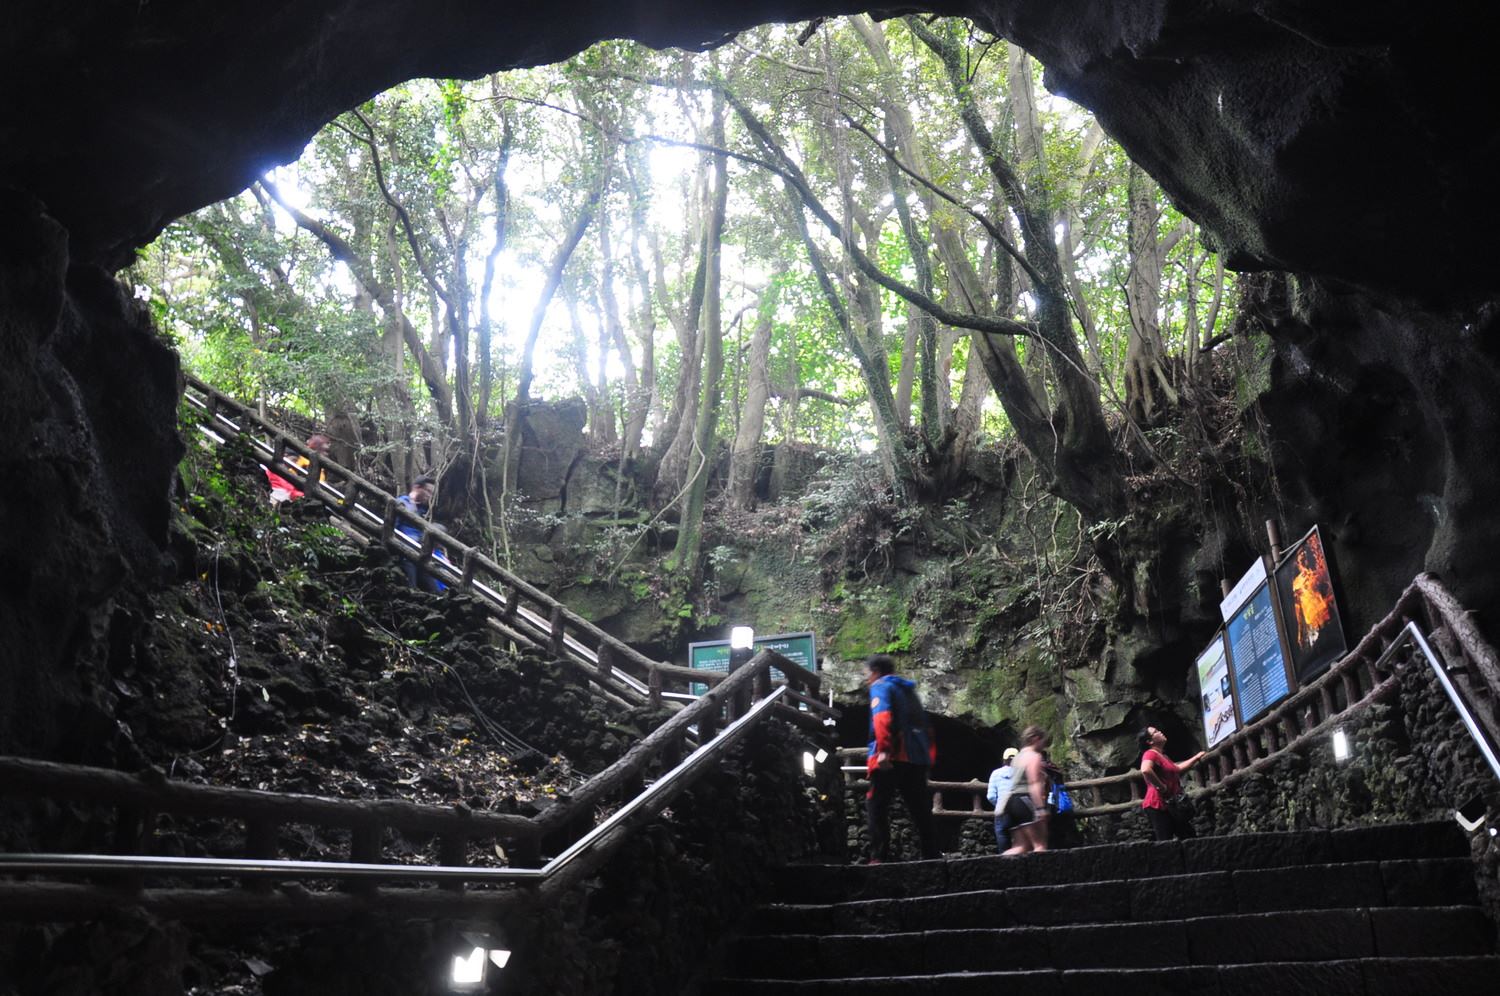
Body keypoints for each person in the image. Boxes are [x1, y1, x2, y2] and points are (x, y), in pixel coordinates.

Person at [864, 654, 939, 863]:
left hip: (893, 756)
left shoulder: (881, 686)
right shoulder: (909, 691)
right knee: (920, 808)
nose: (867, 679)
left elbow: (882, 716)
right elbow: (926, 726)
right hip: (916, 758)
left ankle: (879, 857)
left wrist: (884, 751)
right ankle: (931, 854)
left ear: (876, 671)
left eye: (867, 674)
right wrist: (927, 757)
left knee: (876, 805)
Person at [1138, 725, 1207, 840]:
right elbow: (1145, 769)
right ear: (1150, 741)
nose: (1160, 732)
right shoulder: (1150, 753)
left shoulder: (1162, 756)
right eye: (1156, 732)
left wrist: (1196, 757)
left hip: (1171, 804)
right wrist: (1161, 787)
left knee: (1188, 836)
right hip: (1157, 803)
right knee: (1166, 840)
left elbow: (1177, 768)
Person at [997, 725, 1050, 855]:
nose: (1043, 745)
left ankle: (1000, 868)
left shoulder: (1017, 757)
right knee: (1040, 845)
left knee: (1021, 846)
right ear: (1036, 739)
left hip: (1011, 802)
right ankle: (1042, 874)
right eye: (1043, 742)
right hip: (1025, 800)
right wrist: (1040, 808)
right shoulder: (1034, 756)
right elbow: (1034, 783)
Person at [395, 475, 446, 593]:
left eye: (431, 493)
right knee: (410, 583)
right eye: (428, 491)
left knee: (433, 587)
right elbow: (393, 525)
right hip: (405, 550)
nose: (429, 496)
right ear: (417, 488)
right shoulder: (403, 503)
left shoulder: (422, 511)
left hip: (420, 553)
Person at [986, 746, 1019, 853]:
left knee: (1003, 843)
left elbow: (990, 796)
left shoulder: (995, 773)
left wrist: (1000, 804)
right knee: (1021, 845)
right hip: (1020, 810)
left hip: (1003, 812)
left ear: (1004, 759)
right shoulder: (1022, 773)